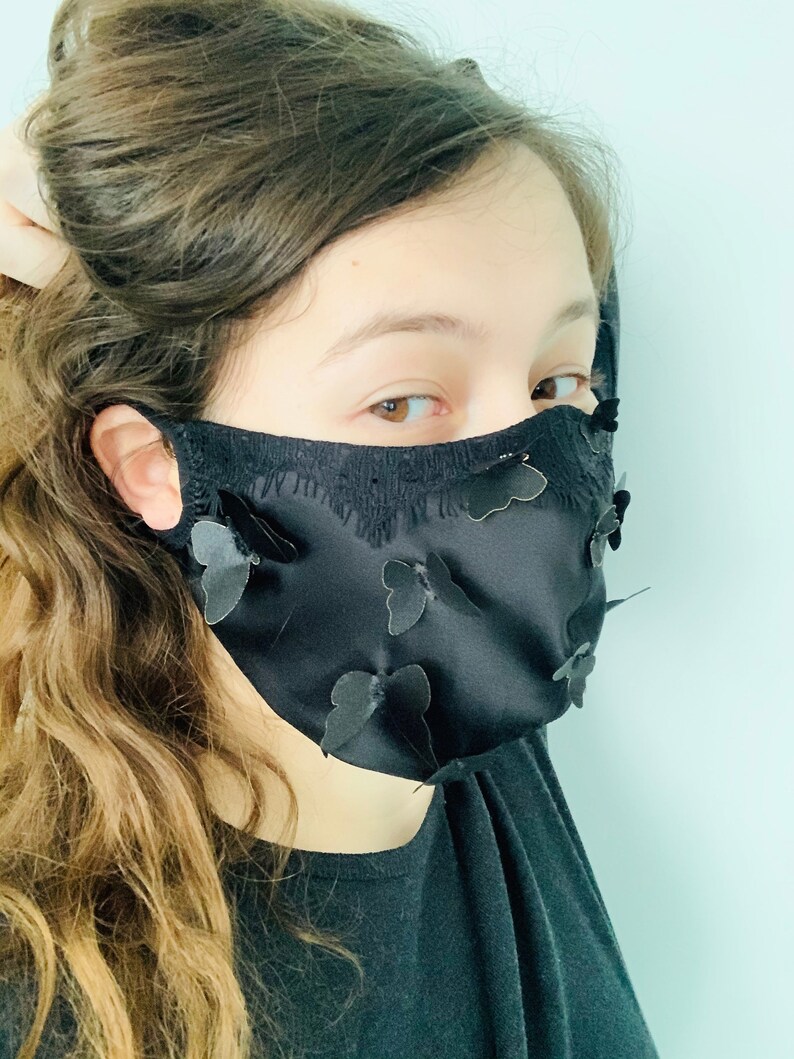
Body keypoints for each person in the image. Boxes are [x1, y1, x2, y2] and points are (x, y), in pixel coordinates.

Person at [0, 1, 659, 1057]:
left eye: (554, 384)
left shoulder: (462, 696)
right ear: (156, 465)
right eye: (401, 402)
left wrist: (99, 162)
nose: (528, 480)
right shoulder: (51, 1005)